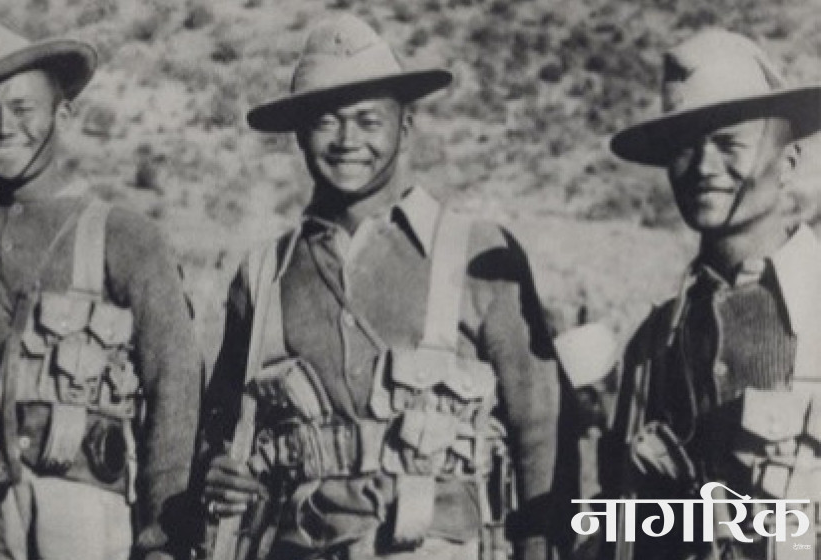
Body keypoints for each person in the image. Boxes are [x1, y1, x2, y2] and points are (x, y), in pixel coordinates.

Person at [199, 14, 568, 560]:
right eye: (326, 122)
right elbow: (220, 425)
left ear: (406, 126)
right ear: (299, 135)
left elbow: (540, 431)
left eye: (368, 120)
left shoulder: (477, 254)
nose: (348, 141)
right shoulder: (264, 274)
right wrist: (216, 469)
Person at [0, 22, 202, 560]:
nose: (4, 128)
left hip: (86, 511)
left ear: (62, 115)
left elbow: (175, 385)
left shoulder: (125, 236)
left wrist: (162, 532)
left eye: (23, 109)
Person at [601, 28, 821, 560]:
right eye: (686, 147)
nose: (703, 168)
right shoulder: (654, 345)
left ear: (788, 162)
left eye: (729, 145)